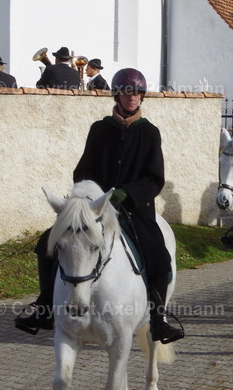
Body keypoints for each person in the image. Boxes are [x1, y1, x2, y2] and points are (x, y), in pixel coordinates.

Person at [15, 68, 184, 343]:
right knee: (47, 243)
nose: (132, 98)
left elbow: (154, 179)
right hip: (95, 209)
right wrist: (89, 196)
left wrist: (125, 193)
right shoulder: (99, 129)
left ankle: (157, 318)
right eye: (127, 92)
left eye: (137, 93)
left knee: (159, 255)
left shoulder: (149, 133)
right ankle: (45, 307)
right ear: (117, 94)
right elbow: (82, 170)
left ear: (142, 97)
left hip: (133, 209)